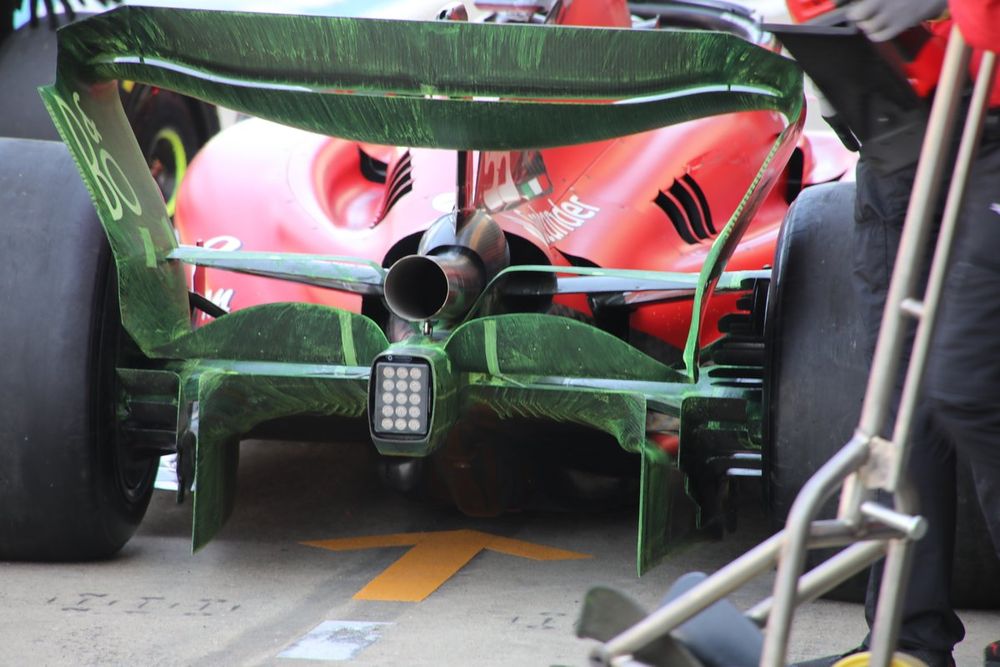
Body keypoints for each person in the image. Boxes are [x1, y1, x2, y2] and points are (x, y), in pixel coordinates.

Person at [792, 0, 1000, 665]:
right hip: (894, 116)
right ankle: (906, 639)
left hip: (985, 106)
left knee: (972, 384)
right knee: (897, 392)